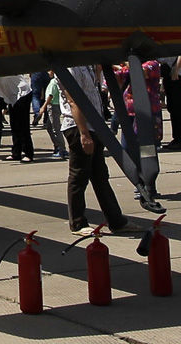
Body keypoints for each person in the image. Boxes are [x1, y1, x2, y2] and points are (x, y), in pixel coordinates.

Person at [54, 69, 128, 232]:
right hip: (79, 127)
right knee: (79, 175)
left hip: (94, 125)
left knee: (100, 175)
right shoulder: (70, 69)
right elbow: (73, 101)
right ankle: (78, 222)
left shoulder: (85, 66)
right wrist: (84, 133)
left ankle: (117, 221)